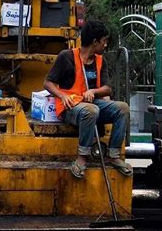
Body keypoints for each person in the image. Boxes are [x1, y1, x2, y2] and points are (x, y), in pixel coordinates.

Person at [43, 21, 132, 179]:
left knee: (123, 108)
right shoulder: (66, 56)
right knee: (92, 110)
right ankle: (82, 157)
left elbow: (108, 88)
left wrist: (94, 91)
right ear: (95, 42)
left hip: (92, 104)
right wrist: (62, 96)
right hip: (71, 106)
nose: (105, 45)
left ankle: (113, 154)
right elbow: (48, 83)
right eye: (104, 41)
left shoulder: (100, 61)